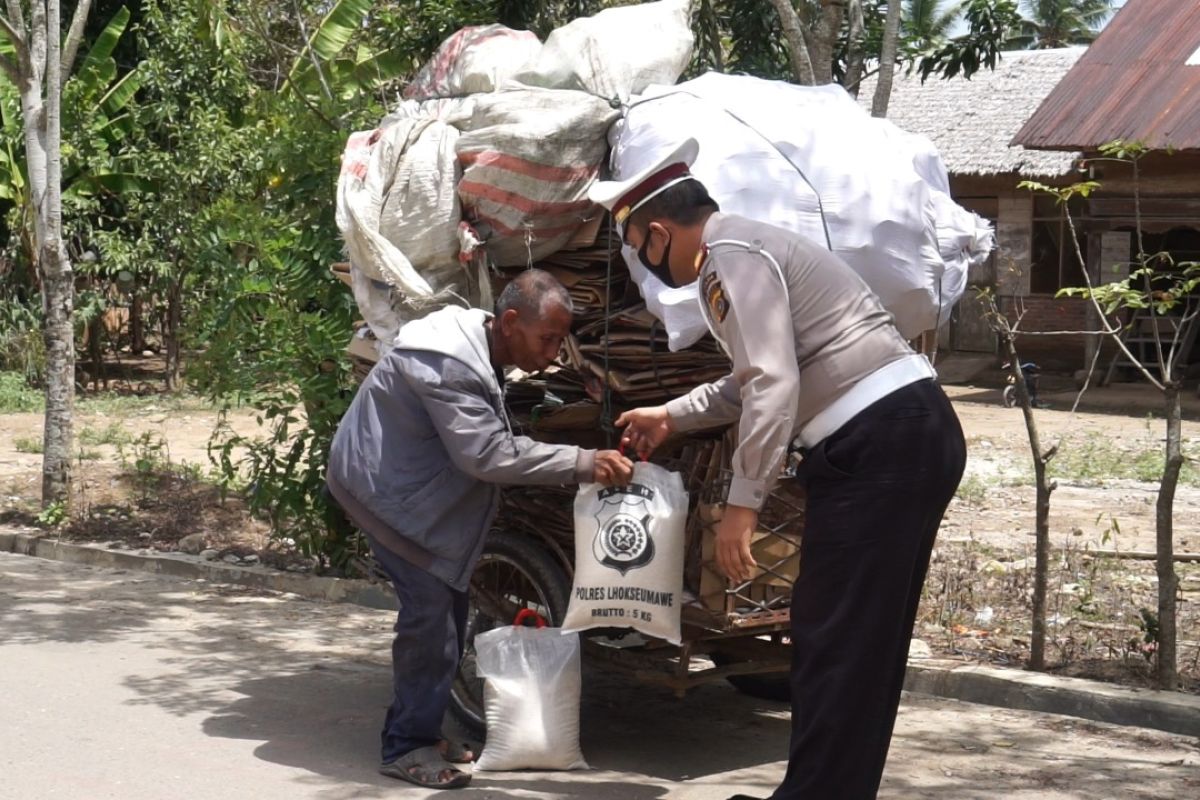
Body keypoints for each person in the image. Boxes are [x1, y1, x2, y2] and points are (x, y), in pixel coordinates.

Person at [590, 139, 966, 800]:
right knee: (849, 641)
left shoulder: (728, 257)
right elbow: (750, 380)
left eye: (639, 251)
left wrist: (742, 507)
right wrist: (670, 415)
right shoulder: (738, 252)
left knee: (837, 641)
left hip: (881, 440)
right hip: (898, 436)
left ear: (656, 232)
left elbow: (770, 382)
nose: (646, 267)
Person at [326, 269, 633, 790]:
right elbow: (485, 454)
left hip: (405, 487)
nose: (555, 353)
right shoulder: (448, 365)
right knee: (432, 620)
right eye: (548, 339)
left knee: (450, 611)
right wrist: (584, 461)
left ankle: (419, 727)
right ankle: (406, 746)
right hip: (381, 491)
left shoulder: (475, 347)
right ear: (509, 321)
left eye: (561, 340)